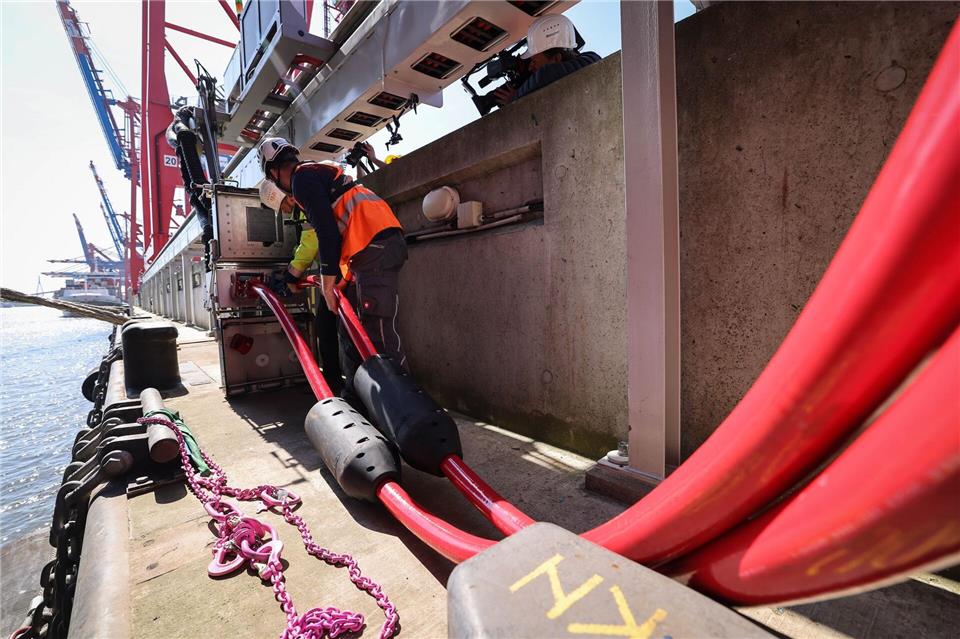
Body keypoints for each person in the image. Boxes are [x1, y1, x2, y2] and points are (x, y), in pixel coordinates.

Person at [258, 137, 408, 402]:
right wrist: (342, 279)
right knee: (348, 326)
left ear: (273, 171)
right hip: (368, 247)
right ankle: (355, 399)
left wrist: (327, 285)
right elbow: (338, 233)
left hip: (375, 242)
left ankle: (404, 404)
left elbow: (326, 234)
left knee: (377, 328)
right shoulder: (312, 175)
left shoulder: (301, 179)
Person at [259, 179, 344, 394]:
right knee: (326, 328)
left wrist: (291, 275)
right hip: (337, 270)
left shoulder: (304, 202)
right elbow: (307, 242)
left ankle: (338, 386)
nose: (286, 212)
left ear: (285, 198)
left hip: (342, 270)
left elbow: (311, 243)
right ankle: (334, 384)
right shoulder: (309, 199)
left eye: (283, 207)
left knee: (330, 329)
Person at [494, 14, 600, 106]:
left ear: (556, 59)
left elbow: (546, 74)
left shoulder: (590, 60)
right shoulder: (586, 61)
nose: (530, 67)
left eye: (534, 61)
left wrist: (516, 97)